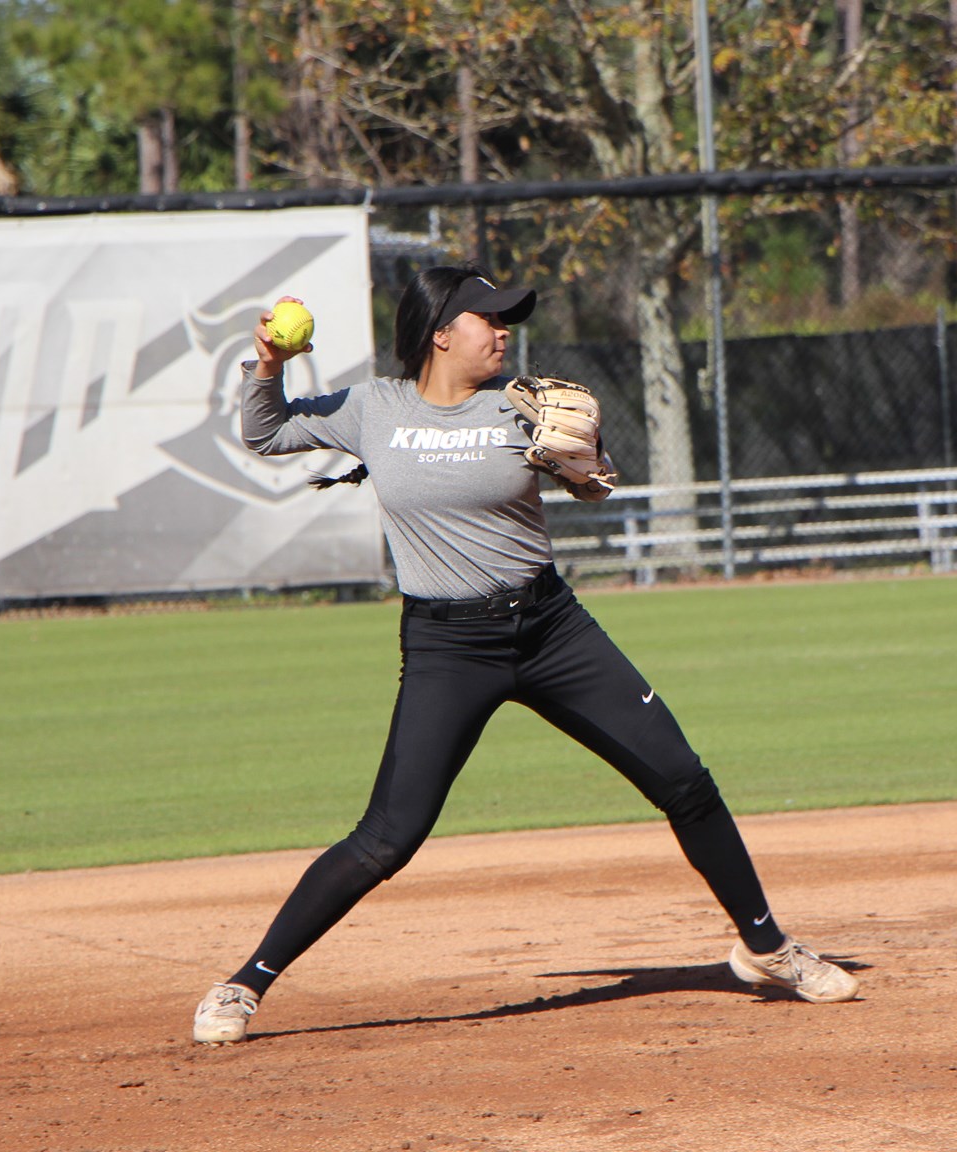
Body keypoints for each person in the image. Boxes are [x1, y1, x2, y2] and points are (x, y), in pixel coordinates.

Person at [192, 265, 859, 1044]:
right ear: (442, 333)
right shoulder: (374, 407)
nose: (503, 330)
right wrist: (268, 365)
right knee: (387, 836)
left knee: (683, 779)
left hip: (552, 631)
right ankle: (245, 984)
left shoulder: (521, 408)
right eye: (488, 318)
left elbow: (592, 482)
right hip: (448, 646)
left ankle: (769, 948)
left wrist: (585, 459)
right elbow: (265, 431)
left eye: (507, 318)